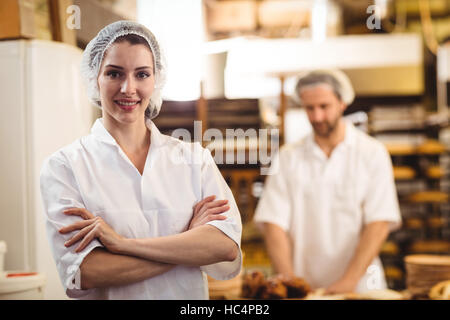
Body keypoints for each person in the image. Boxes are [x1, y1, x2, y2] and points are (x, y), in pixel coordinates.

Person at [39, 21, 242, 300]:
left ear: (156, 79)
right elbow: (87, 271)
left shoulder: (195, 160)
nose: (128, 88)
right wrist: (188, 244)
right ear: (94, 78)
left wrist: (121, 244)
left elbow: (225, 247)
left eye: (142, 74)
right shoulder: (65, 167)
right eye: (114, 73)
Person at [253, 70, 402, 294]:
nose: (317, 117)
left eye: (324, 106)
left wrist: (349, 282)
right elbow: (273, 223)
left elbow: (378, 223)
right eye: (309, 109)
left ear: (342, 103)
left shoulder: (371, 153)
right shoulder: (288, 156)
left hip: (361, 286)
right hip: (305, 284)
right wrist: (291, 283)